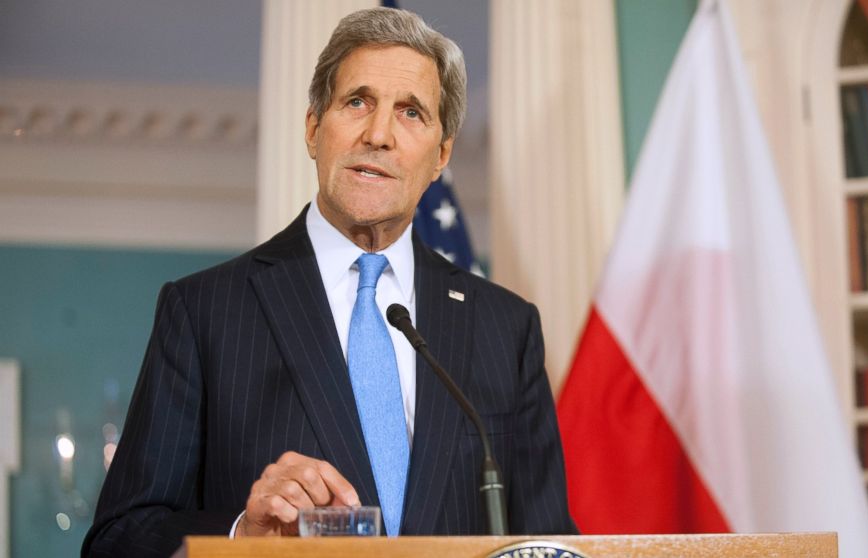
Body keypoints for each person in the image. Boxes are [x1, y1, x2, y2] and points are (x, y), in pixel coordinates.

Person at [82, 7, 575, 557]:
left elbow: (549, 542)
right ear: (314, 127)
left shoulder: (506, 327)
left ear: (441, 154)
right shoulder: (204, 312)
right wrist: (244, 534)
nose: (379, 134)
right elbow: (117, 541)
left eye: (410, 112)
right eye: (357, 102)